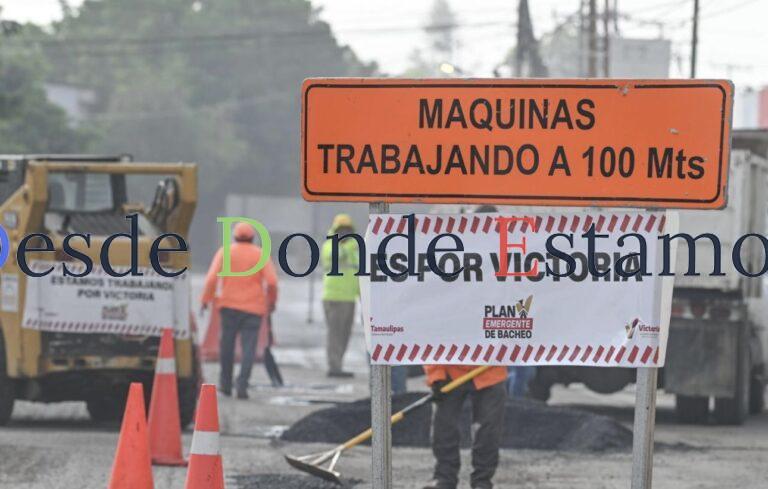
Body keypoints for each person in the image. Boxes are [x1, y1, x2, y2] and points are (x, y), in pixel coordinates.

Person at [201, 222, 278, 399]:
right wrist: (271, 302)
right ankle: (242, 384)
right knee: (249, 347)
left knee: (226, 345)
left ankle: (226, 384)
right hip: (253, 308)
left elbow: (212, 278)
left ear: (235, 236)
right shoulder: (260, 254)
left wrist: (205, 299)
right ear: (252, 238)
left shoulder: (225, 252)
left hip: (228, 307)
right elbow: (272, 282)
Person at [423, 365, 508, 489]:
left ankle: (482, 481)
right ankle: (444, 479)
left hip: (490, 369)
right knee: (443, 425)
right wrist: (436, 375)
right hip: (449, 370)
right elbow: (430, 346)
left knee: (488, 430)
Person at [321, 213, 360, 378]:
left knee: (344, 334)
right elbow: (334, 257)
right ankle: (334, 366)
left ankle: (338, 364)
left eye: (347, 230)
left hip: (350, 298)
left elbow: (358, 271)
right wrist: (343, 245)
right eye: (341, 230)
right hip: (334, 297)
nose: (344, 233)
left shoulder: (354, 248)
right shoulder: (330, 245)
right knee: (335, 333)